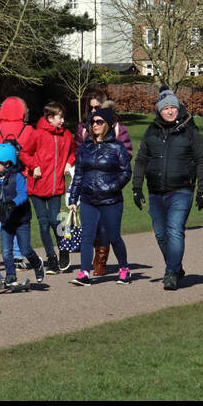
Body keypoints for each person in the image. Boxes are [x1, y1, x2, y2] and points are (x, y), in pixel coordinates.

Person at [132, 92, 203, 290]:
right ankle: (175, 266)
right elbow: (141, 160)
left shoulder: (189, 131)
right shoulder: (151, 131)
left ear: (178, 108)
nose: (170, 111)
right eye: (166, 108)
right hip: (156, 191)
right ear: (160, 110)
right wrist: (136, 187)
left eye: (173, 107)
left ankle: (171, 273)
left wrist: (202, 190)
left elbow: (201, 160)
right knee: (160, 234)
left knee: (174, 230)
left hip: (181, 189)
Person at [68, 107, 133, 286]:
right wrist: (73, 199)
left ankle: (124, 269)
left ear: (107, 125)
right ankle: (84, 273)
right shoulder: (85, 147)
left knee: (113, 237)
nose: (95, 125)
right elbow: (79, 174)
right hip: (89, 200)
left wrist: (111, 187)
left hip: (111, 201)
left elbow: (126, 172)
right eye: (92, 122)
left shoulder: (117, 147)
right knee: (87, 237)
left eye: (99, 122)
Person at [0, 97, 38, 271]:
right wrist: (27, 173)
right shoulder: (28, 129)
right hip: (19, 176)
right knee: (17, 214)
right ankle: (18, 256)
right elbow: (33, 154)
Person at [0, 142, 46, 286]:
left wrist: (12, 203)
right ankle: (10, 276)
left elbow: (23, 194)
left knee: (25, 250)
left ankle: (37, 265)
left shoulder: (18, 177)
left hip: (21, 220)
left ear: (7, 163)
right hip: (6, 221)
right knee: (6, 252)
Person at [29, 101, 76, 274]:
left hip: (56, 186)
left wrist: (69, 163)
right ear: (49, 118)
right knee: (43, 224)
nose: (62, 120)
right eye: (59, 117)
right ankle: (51, 258)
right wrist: (34, 165)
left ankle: (64, 250)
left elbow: (73, 152)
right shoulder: (37, 135)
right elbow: (25, 153)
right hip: (37, 187)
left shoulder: (67, 135)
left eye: (63, 117)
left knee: (55, 221)